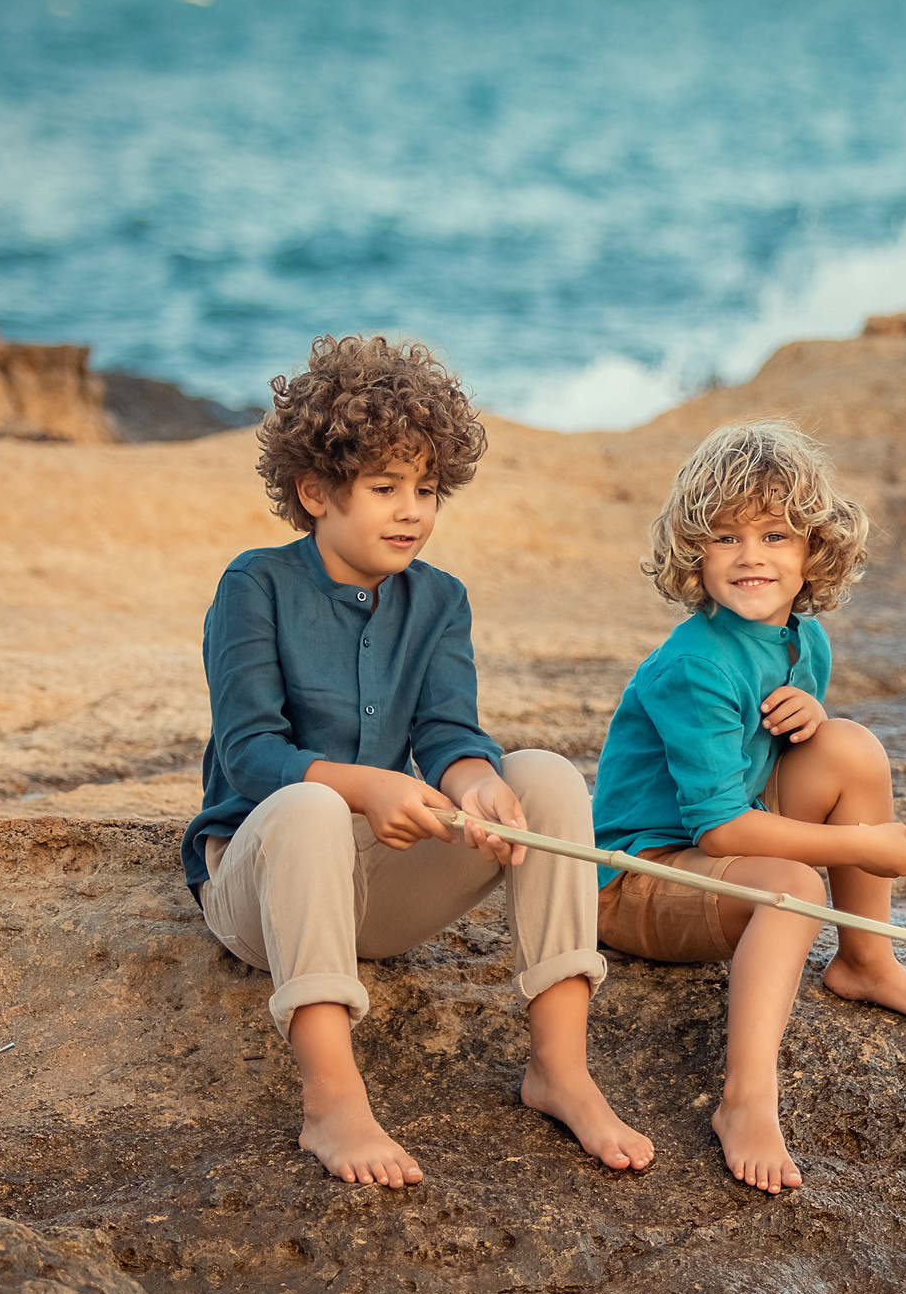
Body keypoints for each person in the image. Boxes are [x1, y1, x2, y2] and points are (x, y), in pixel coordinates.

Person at [181, 334, 651, 1187]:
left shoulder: (439, 599)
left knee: (543, 775)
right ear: (315, 490)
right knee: (313, 806)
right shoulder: (253, 586)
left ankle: (560, 1068)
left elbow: (446, 734)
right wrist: (368, 786)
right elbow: (249, 757)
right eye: (384, 487)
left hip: (378, 894)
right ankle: (332, 1100)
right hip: (264, 890)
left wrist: (476, 783)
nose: (411, 511)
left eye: (426, 489)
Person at [589, 421, 906, 1195]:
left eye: (774, 535)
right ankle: (746, 1100)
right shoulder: (695, 664)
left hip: (717, 847)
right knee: (793, 886)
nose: (750, 556)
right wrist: (861, 845)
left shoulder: (804, 639)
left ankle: (865, 961)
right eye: (725, 537)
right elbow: (721, 827)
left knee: (851, 746)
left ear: (813, 551)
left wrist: (810, 716)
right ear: (694, 553)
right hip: (636, 874)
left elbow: (776, 765)